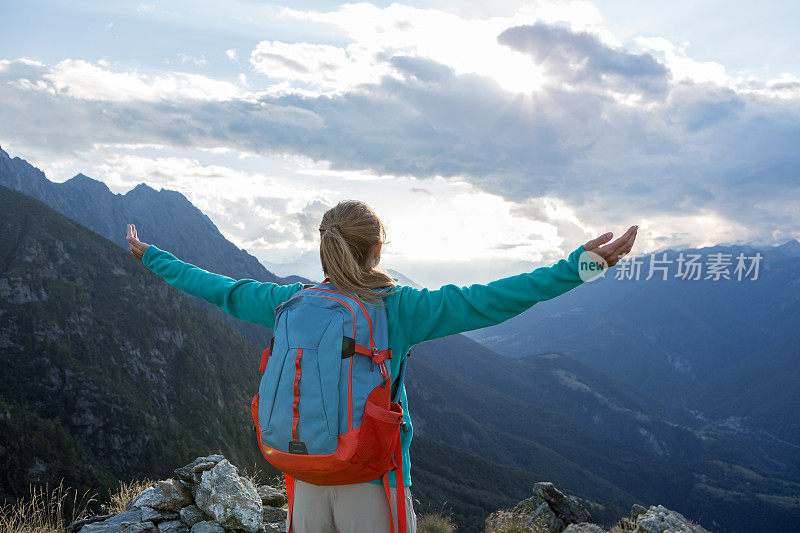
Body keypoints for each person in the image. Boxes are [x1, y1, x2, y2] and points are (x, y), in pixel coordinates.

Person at [126, 199, 638, 532]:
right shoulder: (398, 308)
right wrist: (583, 267)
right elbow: (495, 299)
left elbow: (213, 285)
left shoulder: (285, 302)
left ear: (325, 250)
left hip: (304, 476)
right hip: (371, 481)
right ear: (375, 251)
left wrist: (151, 255)